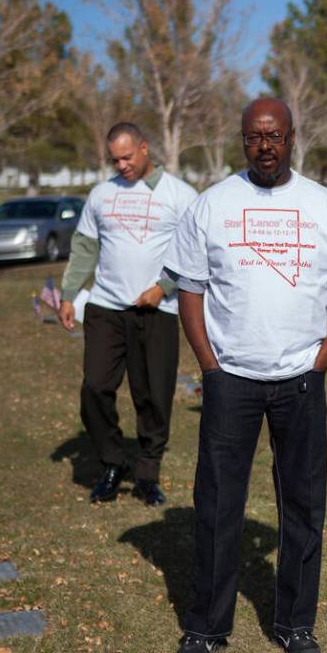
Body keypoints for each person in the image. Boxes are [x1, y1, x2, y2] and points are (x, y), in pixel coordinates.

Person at [162, 98, 327, 653]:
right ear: (242, 141)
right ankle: (206, 626)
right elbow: (189, 289)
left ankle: (295, 622)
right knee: (216, 502)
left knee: (304, 504)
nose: (265, 147)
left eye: (275, 137)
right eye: (254, 138)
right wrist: (210, 365)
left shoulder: (325, 205)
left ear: (292, 138)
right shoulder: (212, 205)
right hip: (231, 377)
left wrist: (320, 362)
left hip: (300, 380)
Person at [58, 122, 198, 507]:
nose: (121, 165)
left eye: (127, 157)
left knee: (153, 395)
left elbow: (196, 250)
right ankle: (113, 462)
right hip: (105, 306)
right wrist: (70, 294)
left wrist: (163, 288)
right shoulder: (102, 194)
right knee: (95, 389)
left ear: (145, 148)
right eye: (115, 159)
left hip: (157, 309)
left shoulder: (180, 195)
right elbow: (85, 246)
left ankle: (147, 474)